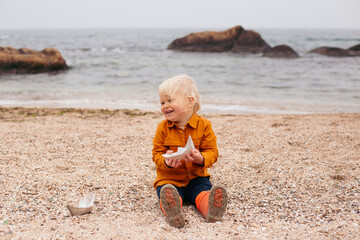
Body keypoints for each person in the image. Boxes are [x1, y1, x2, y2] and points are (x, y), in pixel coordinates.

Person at [152, 74, 228, 228]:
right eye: (162, 102)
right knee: (167, 193)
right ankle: (173, 212)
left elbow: (212, 152)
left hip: (196, 178)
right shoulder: (163, 127)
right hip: (169, 179)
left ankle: (211, 209)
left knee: (202, 192)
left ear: (190, 101)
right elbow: (156, 154)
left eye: (170, 100)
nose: (165, 105)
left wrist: (200, 158)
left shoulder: (204, 125)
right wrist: (167, 162)